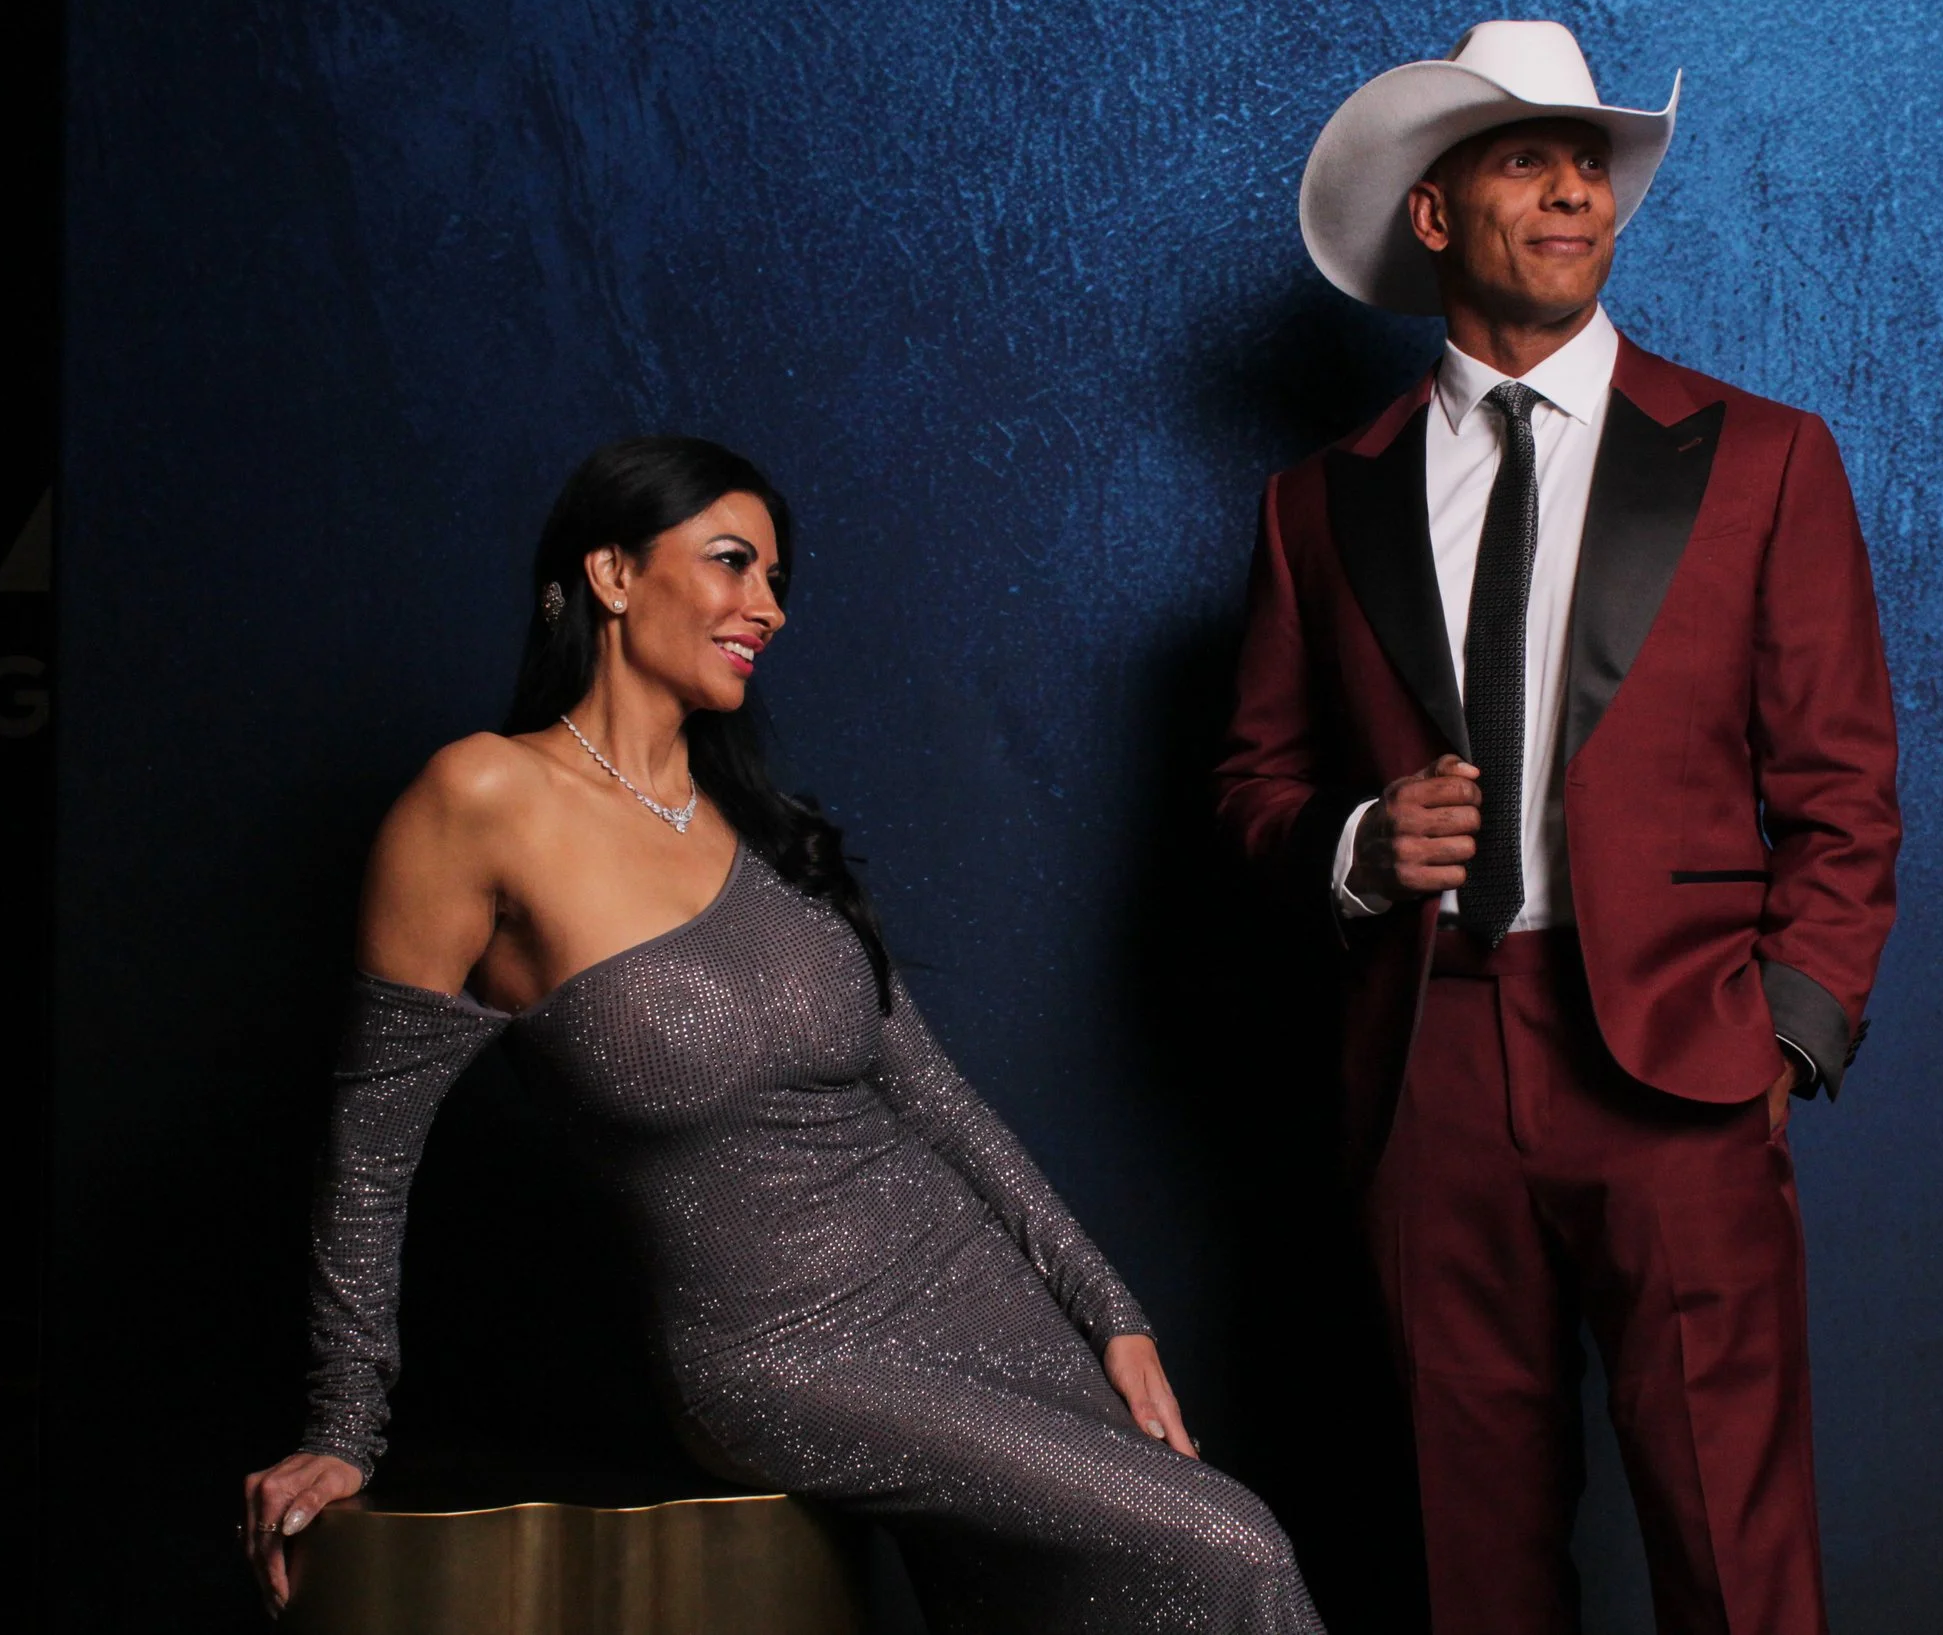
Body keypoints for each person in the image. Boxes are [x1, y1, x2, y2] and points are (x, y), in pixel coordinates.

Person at [242, 436, 1324, 1633]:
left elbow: (936, 1096)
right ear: (610, 572)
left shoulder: (761, 824)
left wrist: (1111, 1310)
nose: (768, 606)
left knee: (1079, 1596)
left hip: (973, 1288)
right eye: (731, 563)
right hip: (784, 1354)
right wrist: (343, 1427)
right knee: (1231, 1543)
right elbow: (370, 1155)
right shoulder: (481, 800)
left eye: (776, 579)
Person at [1214, 21, 1901, 1635]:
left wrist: (1785, 1036)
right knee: (1473, 1567)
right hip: (1429, 1070)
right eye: (1529, 157)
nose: (1576, 191)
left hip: (1682, 1059)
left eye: (1592, 161)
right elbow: (1248, 790)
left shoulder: (1765, 459)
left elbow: (1843, 785)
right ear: (1436, 215)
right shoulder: (1321, 504)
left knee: (1737, 1556)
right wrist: (1359, 845)